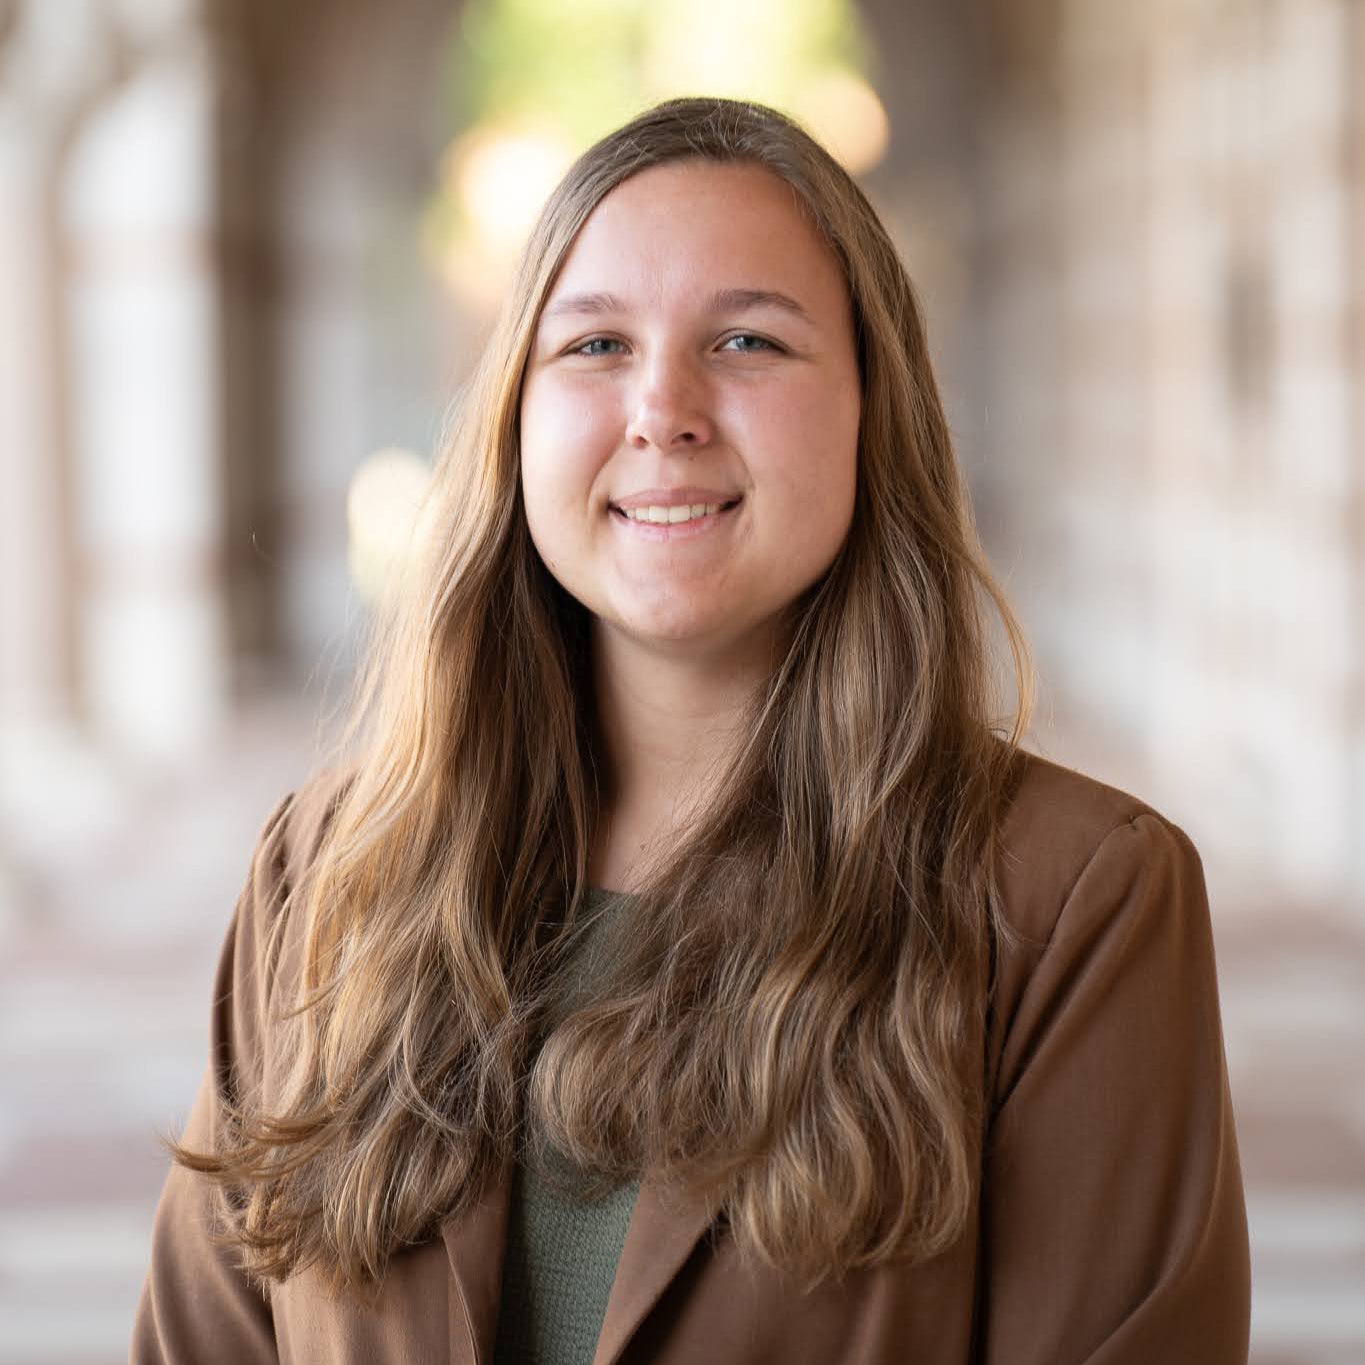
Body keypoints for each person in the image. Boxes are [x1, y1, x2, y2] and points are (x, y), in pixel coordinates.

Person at [130, 96, 1251, 1364]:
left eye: (748, 342)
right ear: (513, 418)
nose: (662, 409)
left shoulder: (1075, 910)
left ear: (876, 409)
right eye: (596, 345)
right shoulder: (323, 874)